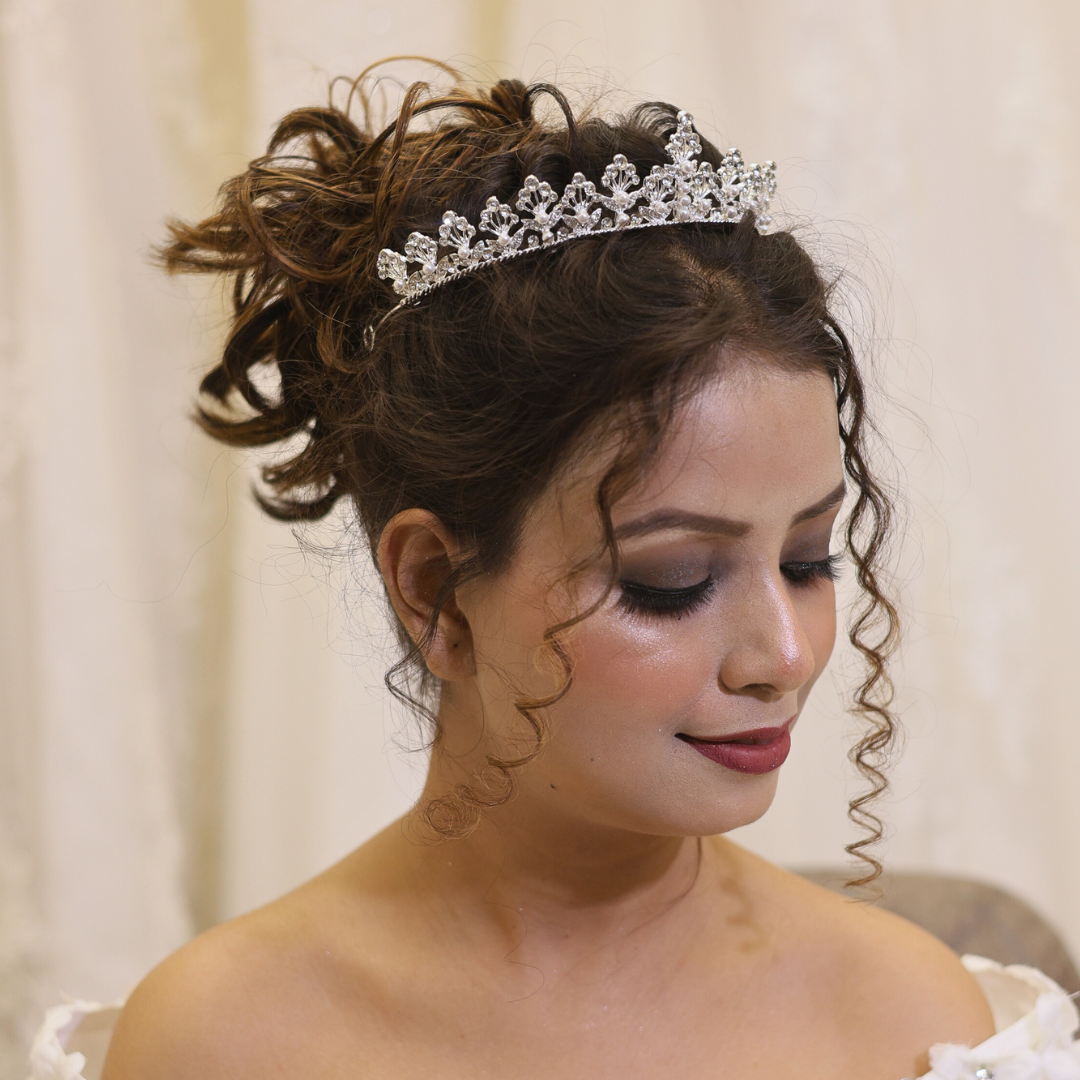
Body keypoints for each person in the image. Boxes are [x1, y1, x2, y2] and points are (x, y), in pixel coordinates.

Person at [30, 69, 1079, 1080]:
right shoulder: (222, 1044)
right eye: (670, 582)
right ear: (437, 587)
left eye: (809, 559)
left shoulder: (911, 1019)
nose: (787, 656)